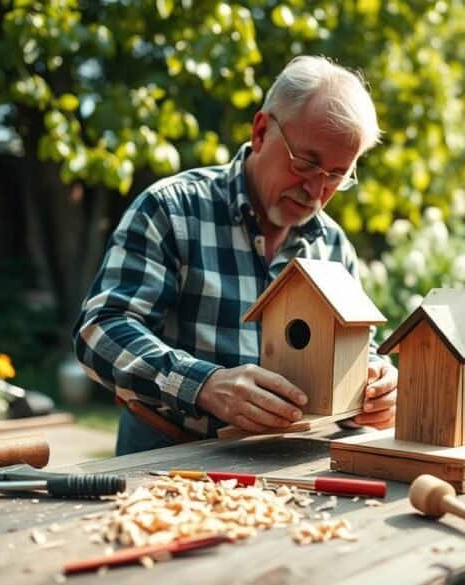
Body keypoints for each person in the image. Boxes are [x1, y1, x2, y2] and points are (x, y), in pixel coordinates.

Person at [73, 55, 398, 455]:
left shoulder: (334, 248)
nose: (316, 191)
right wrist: (204, 385)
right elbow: (100, 329)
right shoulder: (172, 210)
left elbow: (362, 348)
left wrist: (378, 385)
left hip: (293, 468)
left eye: (336, 175)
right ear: (261, 131)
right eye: (306, 163)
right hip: (166, 456)